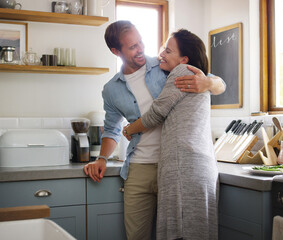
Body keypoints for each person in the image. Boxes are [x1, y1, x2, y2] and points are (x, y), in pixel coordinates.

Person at [83, 20, 225, 240]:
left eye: (141, 42)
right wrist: (102, 158)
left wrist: (208, 83)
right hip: (139, 167)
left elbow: (214, 79)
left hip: (174, 166)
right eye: (132, 47)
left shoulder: (166, 66)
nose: (140, 49)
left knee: (178, 232)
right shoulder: (111, 89)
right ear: (116, 51)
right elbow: (112, 129)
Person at [123, 29, 219, 240]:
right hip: (198, 165)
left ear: (184, 58)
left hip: (183, 165)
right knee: (197, 231)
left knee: (181, 232)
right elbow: (219, 83)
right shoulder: (197, 75)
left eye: (168, 50)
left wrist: (128, 129)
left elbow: (156, 113)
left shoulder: (182, 71)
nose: (161, 55)